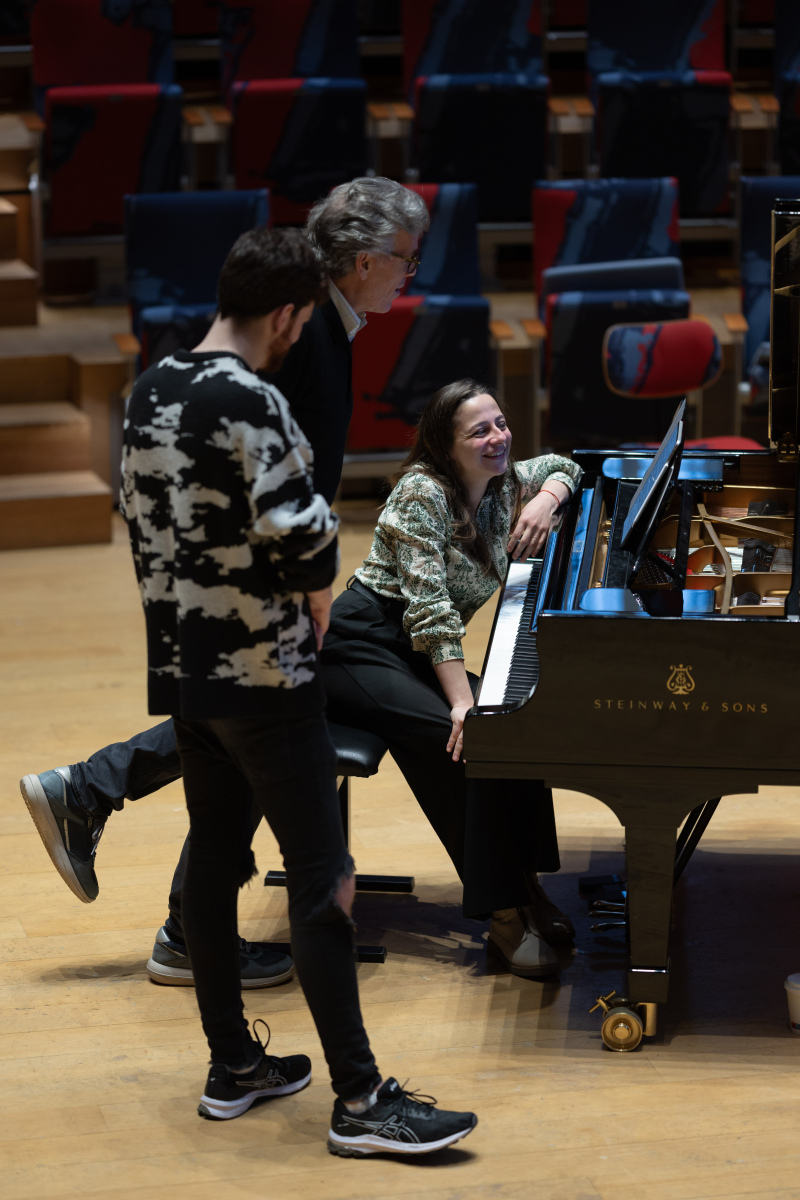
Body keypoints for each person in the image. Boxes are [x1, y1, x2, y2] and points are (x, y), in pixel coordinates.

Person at [116, 224, 477, 1150]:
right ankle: (360, 1102)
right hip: (268, 677)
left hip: (184, 671)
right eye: (302, 320)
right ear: (284, 314)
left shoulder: (150, 387)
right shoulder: (255, 400)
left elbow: (141, 519)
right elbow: (307, 540)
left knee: (213, 860)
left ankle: (234, 1063)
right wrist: (315, 594)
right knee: (325, 880)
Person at [20, 177, 431, 989]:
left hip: (240, 585)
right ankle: (125, 838)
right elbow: (271, 477)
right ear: (361, 261)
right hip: (261, 586)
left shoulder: (317, 327)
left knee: (230, 741)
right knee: (250, 736)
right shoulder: (303, 333)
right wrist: (310, 591)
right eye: (405, 260)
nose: (410, 277)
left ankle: (106, 811)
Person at [320, 378, 582, 977]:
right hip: (360, 645)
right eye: (479, 431)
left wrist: (547, 499)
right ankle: (504, 916)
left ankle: (528, 887)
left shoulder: (503, 485)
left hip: (414, 651)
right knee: (464, 741)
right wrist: (463, 705)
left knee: (515, 722)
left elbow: (566, 465)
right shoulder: (420, 493)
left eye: (500, 423)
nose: (498, 438)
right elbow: (430, 612)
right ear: (446, 445)